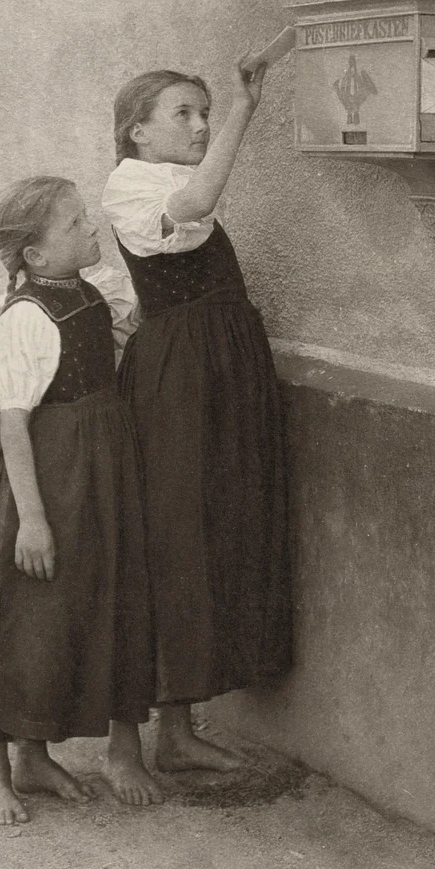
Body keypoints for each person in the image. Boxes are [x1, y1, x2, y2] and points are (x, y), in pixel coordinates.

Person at [0, 175, 163, 823]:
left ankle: (39, 755)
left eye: (86, 219)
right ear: (34, 256)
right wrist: (32, 522)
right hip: (41, 486)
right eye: (76, 225)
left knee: (91, 606)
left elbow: (110, 343)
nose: (91, 230)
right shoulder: (23, 320)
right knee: (13, 620)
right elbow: (15, 424)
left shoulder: (87, 291)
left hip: (100, 477)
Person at [102, 61, 292, 773]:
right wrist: (246, 109)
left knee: (211, 535)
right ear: (137, 132)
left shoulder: (162, 182)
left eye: (205, 112)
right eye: (183, 114)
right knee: (171, 539)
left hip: (221, 366)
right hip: (180, 374)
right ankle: (131, 739)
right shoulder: (131, 185)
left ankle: (177, 732)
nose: (200, 125)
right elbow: (198, 198)